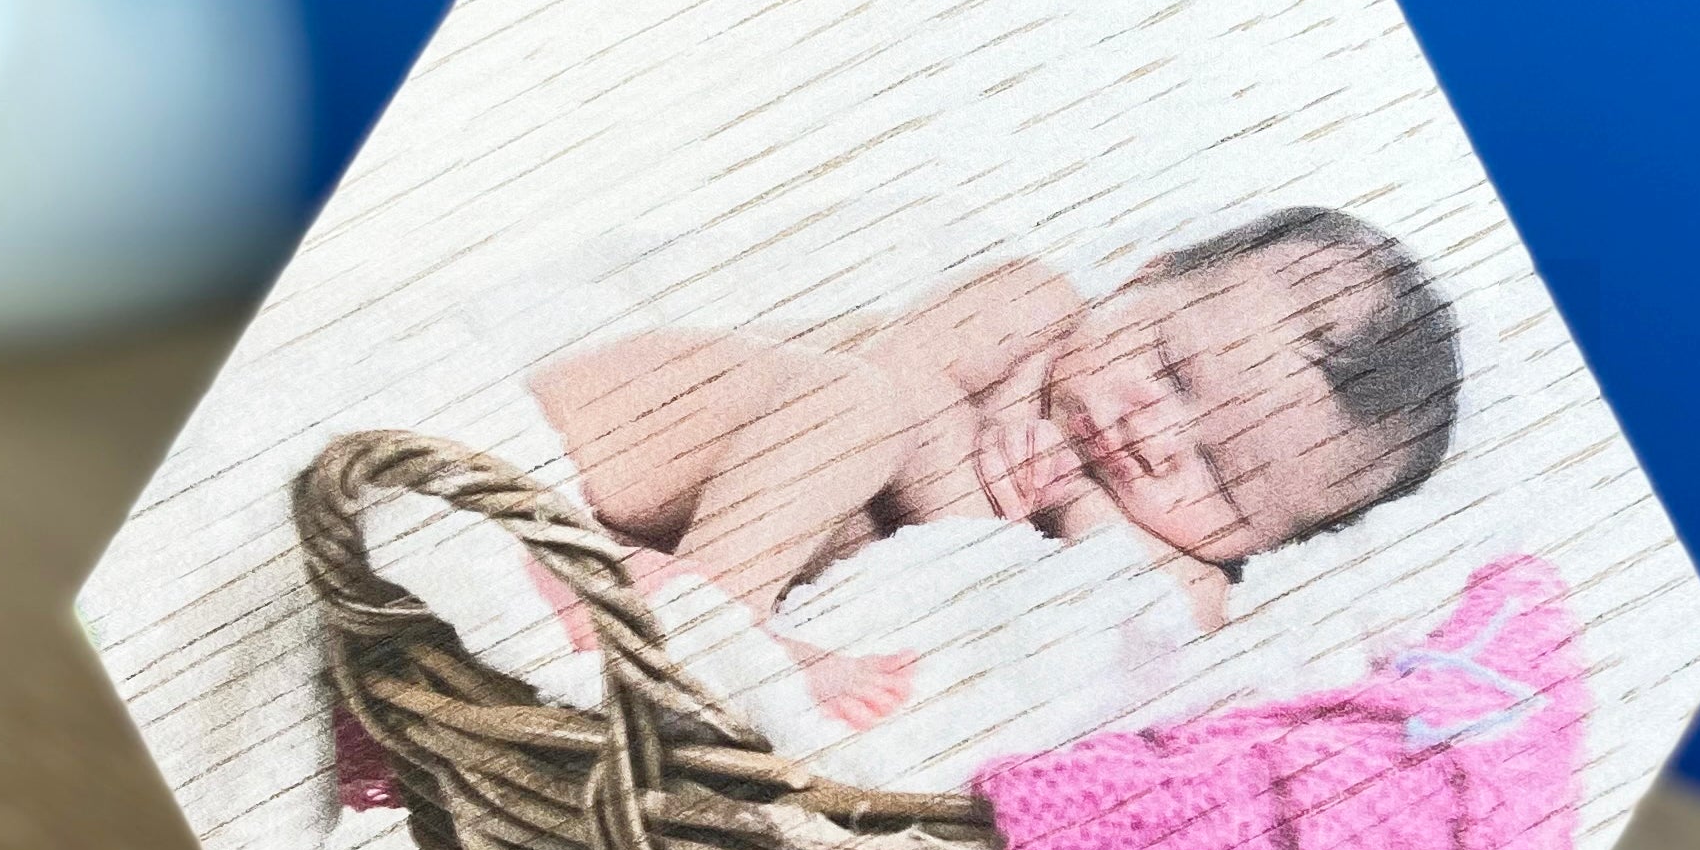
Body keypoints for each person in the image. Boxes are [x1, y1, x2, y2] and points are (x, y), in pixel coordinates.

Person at [526, 206, 1461, 726]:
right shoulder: (1034, 310)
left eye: (1218, 475)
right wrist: (994, 515)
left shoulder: (1194, 573)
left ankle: (634, 593)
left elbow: (1152, 618)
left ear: (1270, 541)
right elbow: (894, 372)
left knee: (861, 519)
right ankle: (699, 627)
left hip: (648, 533)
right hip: (650, 426)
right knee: (858, 406)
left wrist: (1081, 513)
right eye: (1168, 367)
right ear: (1144, 275)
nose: (1154, 433)